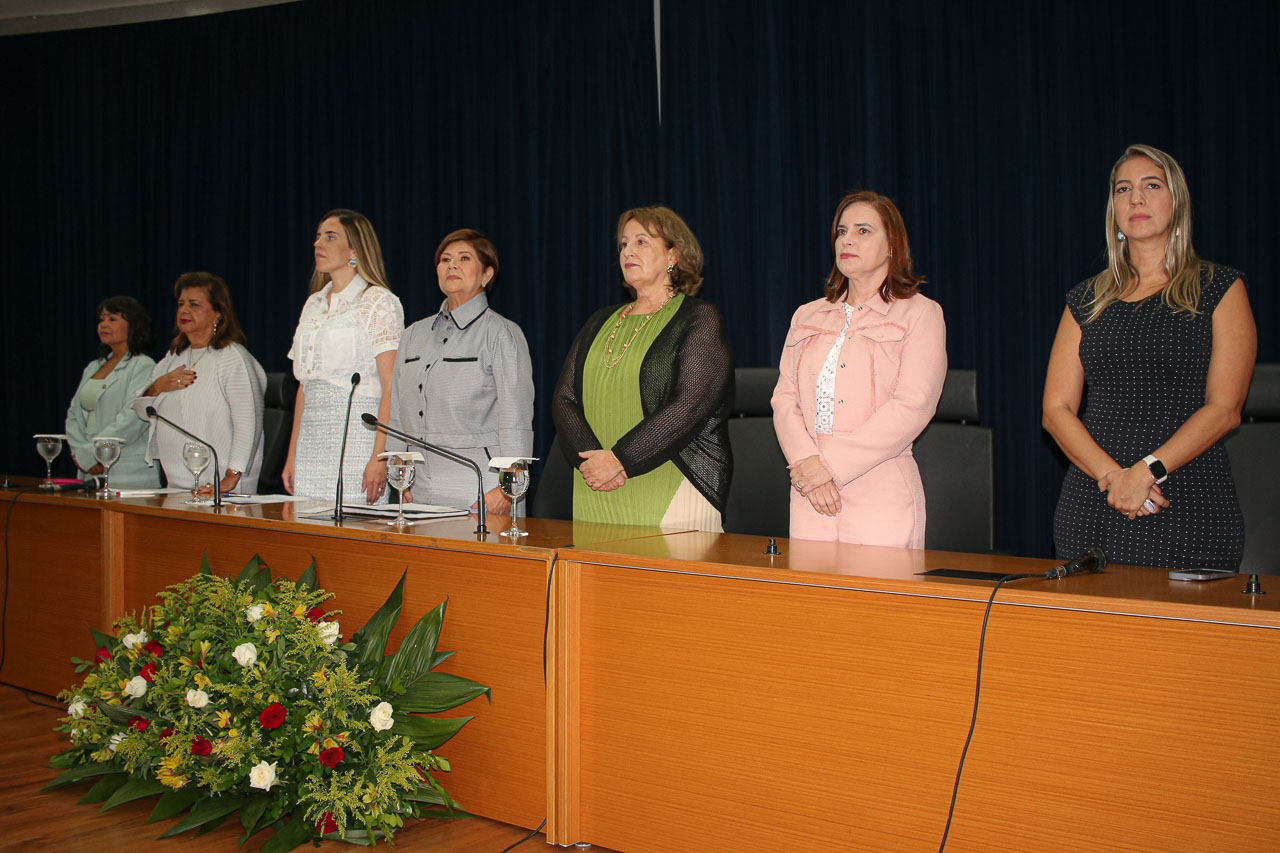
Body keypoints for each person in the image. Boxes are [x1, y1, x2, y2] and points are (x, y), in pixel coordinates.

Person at [1043, 144, 1256, 570]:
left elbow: (1226, 408)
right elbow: (1056, 409)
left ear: (1177, 203)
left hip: (1186, 498)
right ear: (1114, 211)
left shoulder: (1219, 287)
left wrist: (1146, 472)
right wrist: (1114, 478)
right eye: (1123, 189)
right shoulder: (1085, 299)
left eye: (1151, 186)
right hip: (1094, 503)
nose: (1135, 198)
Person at [771, 191, 947, 546]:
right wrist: (808, 466)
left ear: (892, 245)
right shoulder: (807, 315)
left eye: (863, 231)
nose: (847, 239)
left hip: (880, 489)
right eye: (841, 231)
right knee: (813, 600)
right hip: (809, 491)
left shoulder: (920, 314)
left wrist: (829, 467)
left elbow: (913, 405)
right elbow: (784, 399)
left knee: (877, 601)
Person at [552, 205, 733, 531]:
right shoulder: (599, 321)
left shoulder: (698, 318)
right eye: (623, 244)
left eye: (641, 241)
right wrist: (592, 462)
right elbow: (564, 399)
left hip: (673, 480)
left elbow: (691, 405)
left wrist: (620, 459)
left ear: (673, 254)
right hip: (597, 484)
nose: (627, 252)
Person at [387, 229, 534, 511]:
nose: (452, 265)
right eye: (445, 259)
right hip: (418, 489)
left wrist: (507, 488)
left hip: (480, 487)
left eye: (464, 258)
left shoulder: (501, 333)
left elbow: (516, 419)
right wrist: (399, 476)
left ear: (487, 274)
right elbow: (396, 413)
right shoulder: (413, 335)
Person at [284, 209, 404, 503]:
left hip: (357, 441)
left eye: (330, 236)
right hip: (310, 446)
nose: (317, 244)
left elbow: (392, 385)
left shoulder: (378, 301)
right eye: (317, 237)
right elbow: (305, 386)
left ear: (355, 249)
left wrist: (379, 457)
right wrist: (291, 455)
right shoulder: (313, 304)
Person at [132, 272, 267, 493]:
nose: (184, 310)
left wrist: (230, 478)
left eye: (194, 305)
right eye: (181, 304)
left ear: (218, 313)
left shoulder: (232, 358)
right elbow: (140, 409)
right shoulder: (173, 357)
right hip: (176, 483)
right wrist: (158, 386)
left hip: (221, 486)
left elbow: (249, 422)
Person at [65, 296, 160, 488]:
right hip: (89, 469)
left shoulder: (143, 365)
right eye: (102, 319)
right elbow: (73, 414)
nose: (104, 324)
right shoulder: (93, 367)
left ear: (133, 325)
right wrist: (81, 454)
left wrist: (95, 453)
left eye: (112, 319)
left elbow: (132, 418)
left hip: (128, 471)